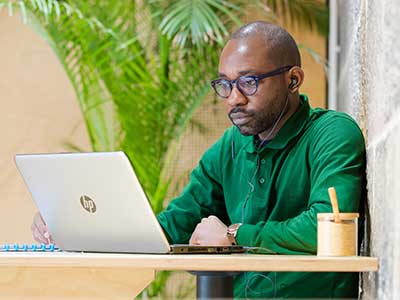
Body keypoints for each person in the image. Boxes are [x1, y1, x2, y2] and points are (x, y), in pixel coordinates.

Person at [32, 21, 366, 298]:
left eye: (249, 82)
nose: (233, 99)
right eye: (225, 84)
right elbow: (171, 226)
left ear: (293, 79)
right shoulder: (230, 147)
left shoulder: (332, 134)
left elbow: (327, 227)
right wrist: (76, 226)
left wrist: (235, 236)